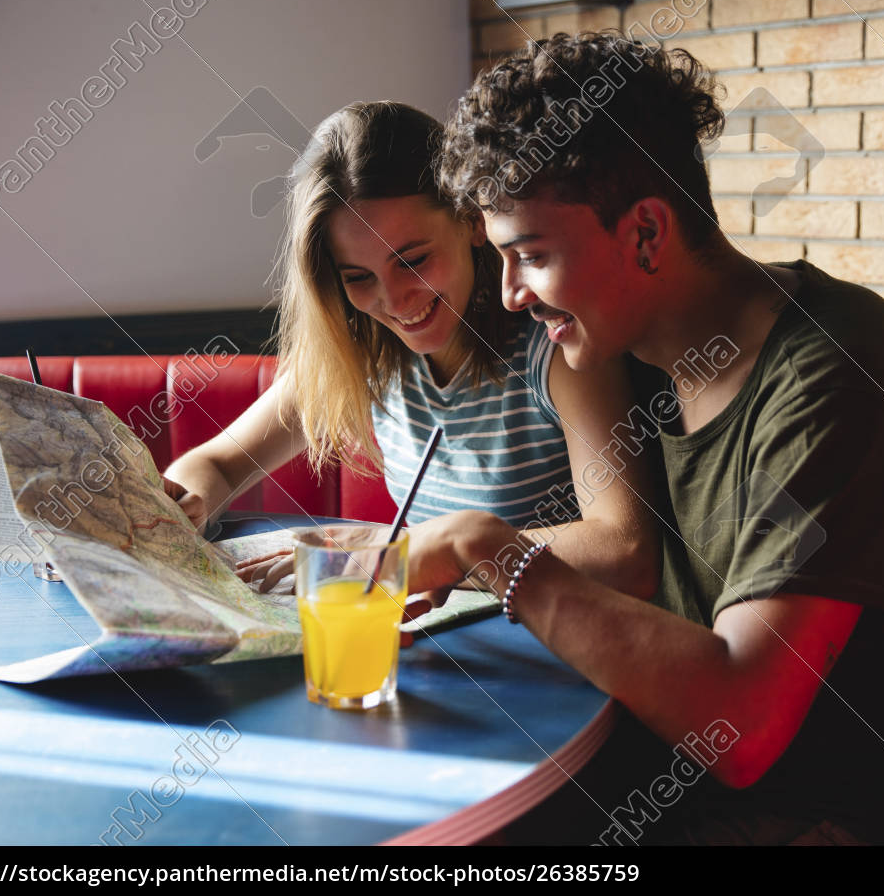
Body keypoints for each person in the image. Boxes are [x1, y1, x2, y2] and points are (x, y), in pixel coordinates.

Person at [410, 33, 884, 844]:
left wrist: (496, 551)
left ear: (646, 234)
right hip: (700, 790)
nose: (510, 295)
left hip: (859, 817)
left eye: (532, 256)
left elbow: (741, 727)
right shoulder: (631, 352)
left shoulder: (836, 377)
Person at [161, 101, 659, 605]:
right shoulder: (361, 350)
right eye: (357, 277)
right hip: (439, 656)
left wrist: (402, 554)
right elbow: (219, 465)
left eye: (413, 260)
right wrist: (185, 503)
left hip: (557, 662)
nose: (395, 301)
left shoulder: (556, 343)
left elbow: (626, 550)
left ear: (471, 222)